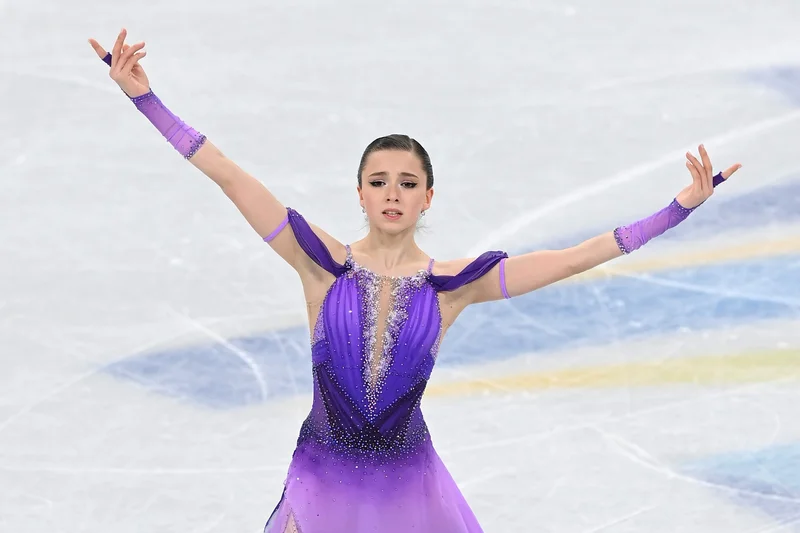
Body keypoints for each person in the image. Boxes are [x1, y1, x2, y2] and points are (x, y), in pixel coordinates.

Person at [88, 29, 742, 533]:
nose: (392, 193)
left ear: (428, 197)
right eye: (379, 182)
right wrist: (145, 98)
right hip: (321, 473)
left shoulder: (453, 286)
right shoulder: (319, 262)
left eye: (407, 183)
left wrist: (676, 209)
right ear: (361, 193)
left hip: (407, 485)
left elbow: (575, 256)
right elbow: (229, 174)